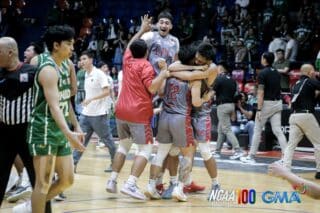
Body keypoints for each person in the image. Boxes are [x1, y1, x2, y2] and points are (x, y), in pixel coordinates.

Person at [21, 25, 85, 213]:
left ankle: (29, 207)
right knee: (42, 183)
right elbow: (54, 106)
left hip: (60, 127)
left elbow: (65, 100)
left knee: (67, 179)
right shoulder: (47, 68)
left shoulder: (66, 64)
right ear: (56, 45)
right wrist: (70, 133)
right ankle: (34, 207)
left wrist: (77, 125)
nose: (72, 48)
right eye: (68, 44)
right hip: (44, 129)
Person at [105, 15, 169, 200]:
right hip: (138, 113)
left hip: (121, 110)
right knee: (146, 150)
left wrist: (142, 30)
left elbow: (128, 46)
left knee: (123, 147)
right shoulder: (146, 65)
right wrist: (163, 73)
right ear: (147, 52)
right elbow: (152, 87)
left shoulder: (127, 60)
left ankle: (112, 180)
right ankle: (131, 184)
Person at [145, 43, 214, 202]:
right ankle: (179, 188)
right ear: (192, 60)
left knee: (160, 153)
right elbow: (196, 103)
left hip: (164, 116)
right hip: (181, 118)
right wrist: (206, 97)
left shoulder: (169, 71)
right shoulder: (195, 77)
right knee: (188, 154)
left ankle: (151, 186)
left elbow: (161, 92)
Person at [0, 37, 51, 213]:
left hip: (28, 133)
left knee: (37, 179)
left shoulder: (33, 72)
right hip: (4, 133)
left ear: (10, 52)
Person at [73, 52, 116, 173]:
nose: (82, 61)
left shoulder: (99, 74)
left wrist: (91, 99)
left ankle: (115, 164)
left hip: (99, 114)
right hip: (86, 114)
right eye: (81, 59)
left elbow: (107, 92)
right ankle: (73, 163)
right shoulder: (85, 74)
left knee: (108, 141)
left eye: (84, 58)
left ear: (91, 60)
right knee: (80, 140)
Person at [241, 52, 287, 164]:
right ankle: (286, 157)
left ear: (265, 59)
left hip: (266, 104)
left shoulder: (262, 73)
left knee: (257, 130)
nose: (261, 59)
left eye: (262, 57)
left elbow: (260, 93)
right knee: (278, 131)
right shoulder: (276, 72)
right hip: (277, 103)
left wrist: (259, 109)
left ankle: (251, 156)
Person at [282, 64, 320, 179]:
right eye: (313, 70)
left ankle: (286, 169)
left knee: (291, 145)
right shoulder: (309, 81)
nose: (315, 72)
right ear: (309, 72)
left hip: (294, 116)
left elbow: (309, 97)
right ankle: (319, 170)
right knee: (318, 143)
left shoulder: (296, 84)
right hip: (305, 115)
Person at [214, 61, 244, 160]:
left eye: (217, 67)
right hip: (231, 105)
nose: (216, 69)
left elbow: (213, 91)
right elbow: (237, 95)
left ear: (221, 68)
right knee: (221, 130)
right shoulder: (232, 80)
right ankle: (217, 151)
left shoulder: (219, 78)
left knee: (226, 129)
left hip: (222, 106)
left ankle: (238, 150)